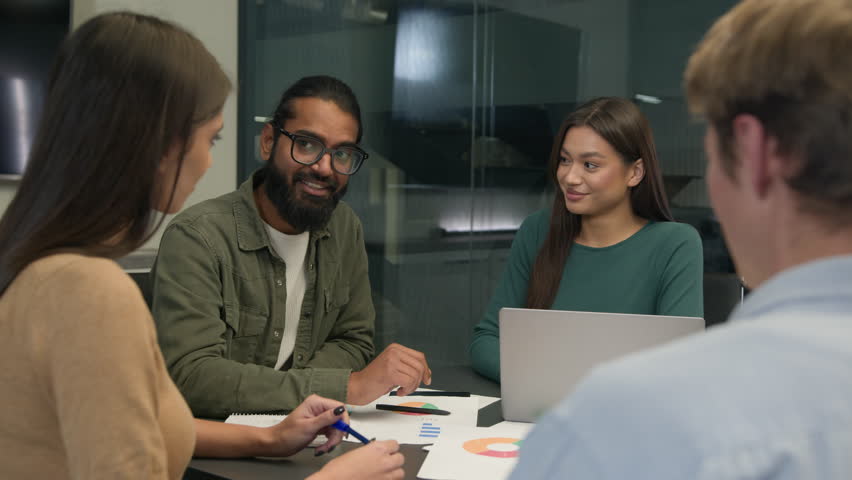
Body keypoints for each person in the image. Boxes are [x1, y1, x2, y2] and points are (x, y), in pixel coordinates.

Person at [0, 12, 403, 480]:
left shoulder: (47, 268)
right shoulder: (92, 291)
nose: (209, 159)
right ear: (158, 143)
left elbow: (149, 423)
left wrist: (270, 438)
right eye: (211, 138)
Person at [510, 0, 852, 477]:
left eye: (712, 153)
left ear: (754, 156)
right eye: (567, 161)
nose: (572, 176)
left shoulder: (620, 425)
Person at [151, 75, 431, 418]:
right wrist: (343, 387)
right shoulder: (198, 237)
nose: (324, 167)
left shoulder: (344, 228)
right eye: (307, 144)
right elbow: (191, 377)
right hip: (217, 450)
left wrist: (294, 392)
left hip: (309, 434)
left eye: (342, 153)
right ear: (268, 141)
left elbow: (354, 340)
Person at [470, 97, 703, 382]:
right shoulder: (537, 231)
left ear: (635, 172)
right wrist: (546, 381)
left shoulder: (675, 244)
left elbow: (679, 362)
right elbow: (486, 340)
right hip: (539, 413)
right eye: (565, 160)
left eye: (590, 165)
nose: (570, 177)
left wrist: (573, 386)